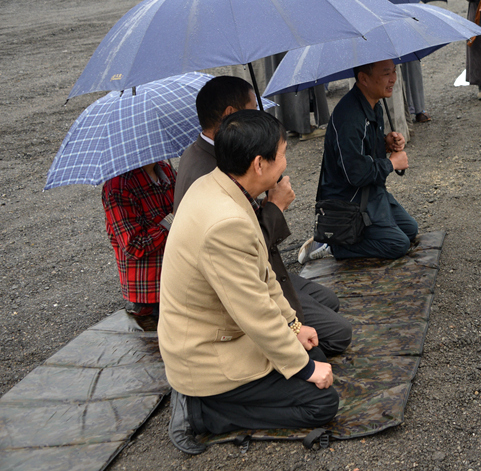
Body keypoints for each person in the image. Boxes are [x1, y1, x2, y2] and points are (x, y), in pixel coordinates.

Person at [160, 110, 338, 454]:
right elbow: (254, 311)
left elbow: (264, 277)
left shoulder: (218, 185)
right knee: (322, 402)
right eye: (283, 154)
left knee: (313, 349)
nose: (286, 161)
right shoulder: (225, 222)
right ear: (259, 164)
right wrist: (304, 370)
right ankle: (202, 412)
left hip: (221, 332)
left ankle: (219, 401)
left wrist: (294, 324)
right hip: (207, 353)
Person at [175, 76, 351, 357]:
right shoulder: (212, 170)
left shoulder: (203, 154)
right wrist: (275, 207)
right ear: (232, 116)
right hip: (240, 290)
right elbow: (243, 249)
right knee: (335, 336)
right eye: (254, 107)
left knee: (328, 301)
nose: (261, 114)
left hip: (264, 270)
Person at [299, 60, 417, 262]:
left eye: (394, 72)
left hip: (370, 193)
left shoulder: (374, 105)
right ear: (363, 78)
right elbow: (355, 173)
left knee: (410, 230)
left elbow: (362, 151)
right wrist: (391, 164)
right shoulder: (349, 117)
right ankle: (336, 245)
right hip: (348, 201)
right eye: (386, 73)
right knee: (398, 244)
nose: (393, 79)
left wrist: (385, 143)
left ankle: (350, 238)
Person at [269, 0, 330, 140]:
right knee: (299, 76)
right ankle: (304, 126)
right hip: (293, 32)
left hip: (280, 34)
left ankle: (293, 125)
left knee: (288, 78)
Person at [102, 161, 176, 319]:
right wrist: (170, 221)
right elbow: (134, 246)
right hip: (150, 290)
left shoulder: (165, 170)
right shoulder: (118, 186)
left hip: (176, 275)